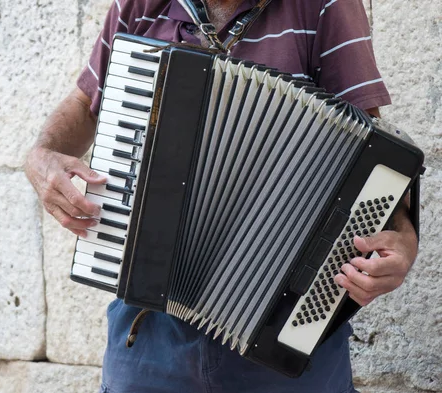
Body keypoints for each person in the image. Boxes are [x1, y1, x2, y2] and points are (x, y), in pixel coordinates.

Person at [25, 0, 419, 392]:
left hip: (279, 330)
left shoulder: (324, 6)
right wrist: (41, 155)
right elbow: (86, 104)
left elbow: (373, 157)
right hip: (147, 337)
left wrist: (402, 240)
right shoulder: (140, 5)